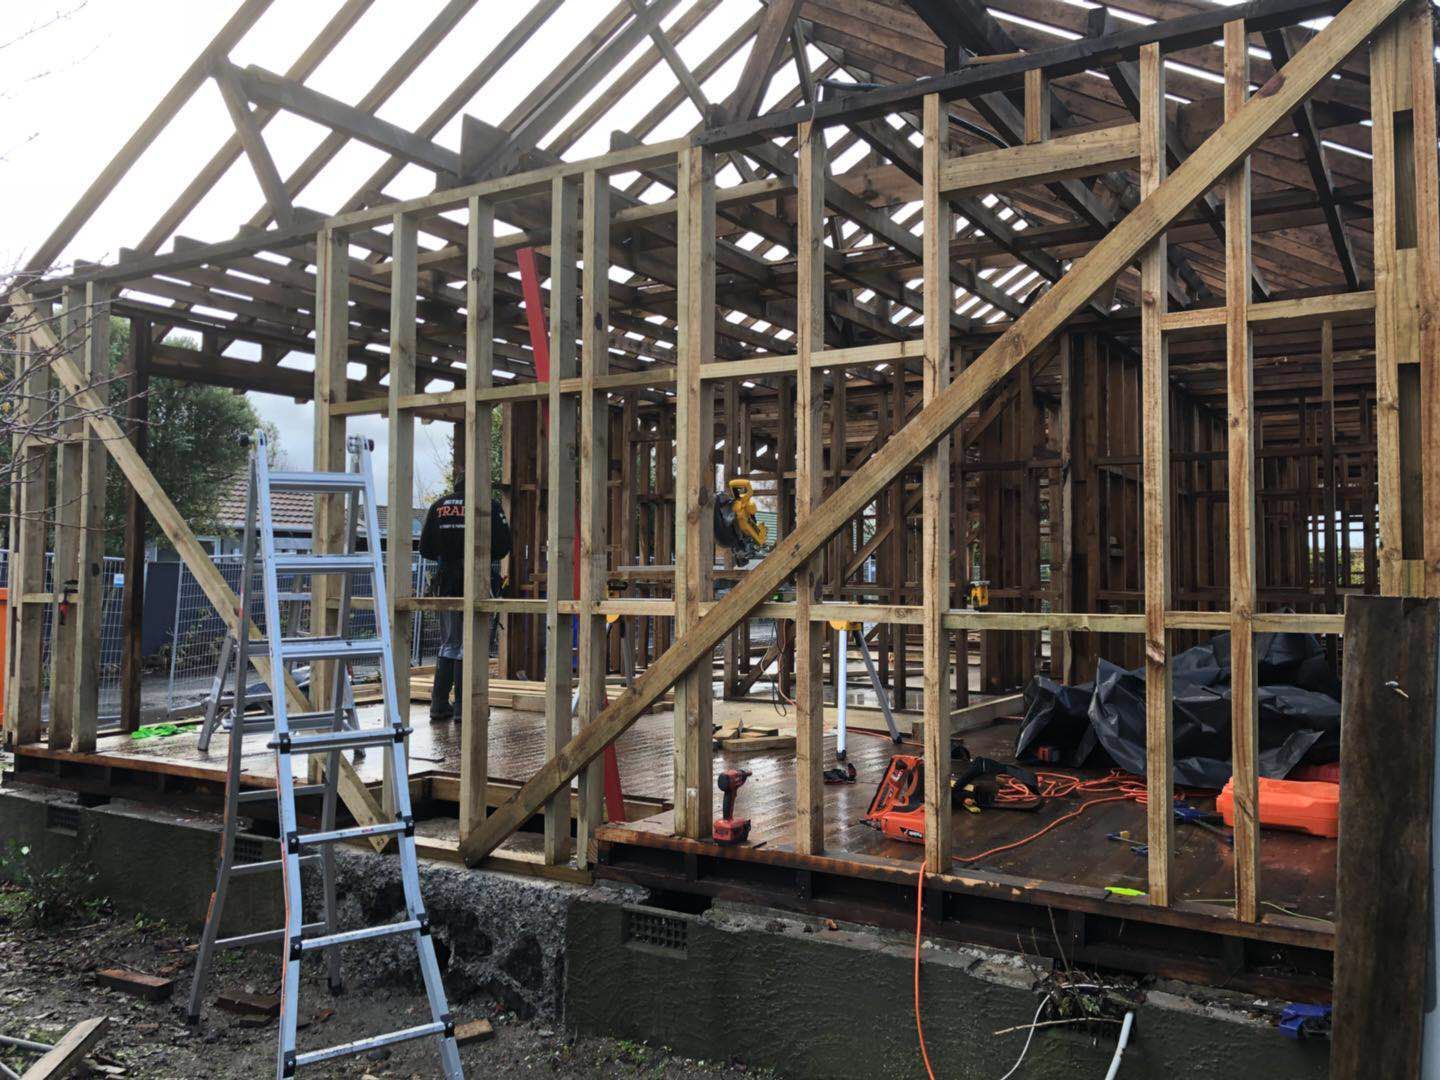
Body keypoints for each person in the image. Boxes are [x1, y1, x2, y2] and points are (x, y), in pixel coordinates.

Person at [417, 477, 511, 721]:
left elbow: (425, 548)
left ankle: (439, 705)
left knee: (450, 642)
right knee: (470, 644)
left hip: (446, 582)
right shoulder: (488, 506)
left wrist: (447, 552)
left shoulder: (439, 506)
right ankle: (464, 706)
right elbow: (503, 545)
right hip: (477, 580)